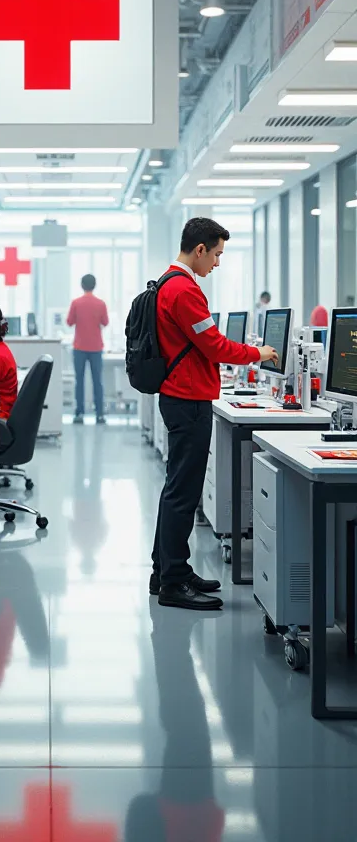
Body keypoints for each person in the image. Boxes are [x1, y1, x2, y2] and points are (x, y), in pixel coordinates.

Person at [152, 218, 278, 611]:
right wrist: (260, 353)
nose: (218, 264)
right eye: (218, 254)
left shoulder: (167, 283)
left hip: (181, 396)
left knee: (178, 489)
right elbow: (215, 346)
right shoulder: (185, 290)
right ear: (200, 249)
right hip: (187, 400)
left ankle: (169, 570)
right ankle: (173, 580)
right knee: (182, 493)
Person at [67, 274, 109, 425]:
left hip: (79, 347)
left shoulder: (76, 303)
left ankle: (79, 413)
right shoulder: (101, 303)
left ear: (82, 285)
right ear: (94, 285)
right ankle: (99, 415)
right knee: (97, 381)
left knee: (79, 381)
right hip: (96, 347)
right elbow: (105, 322)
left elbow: (69, 322)